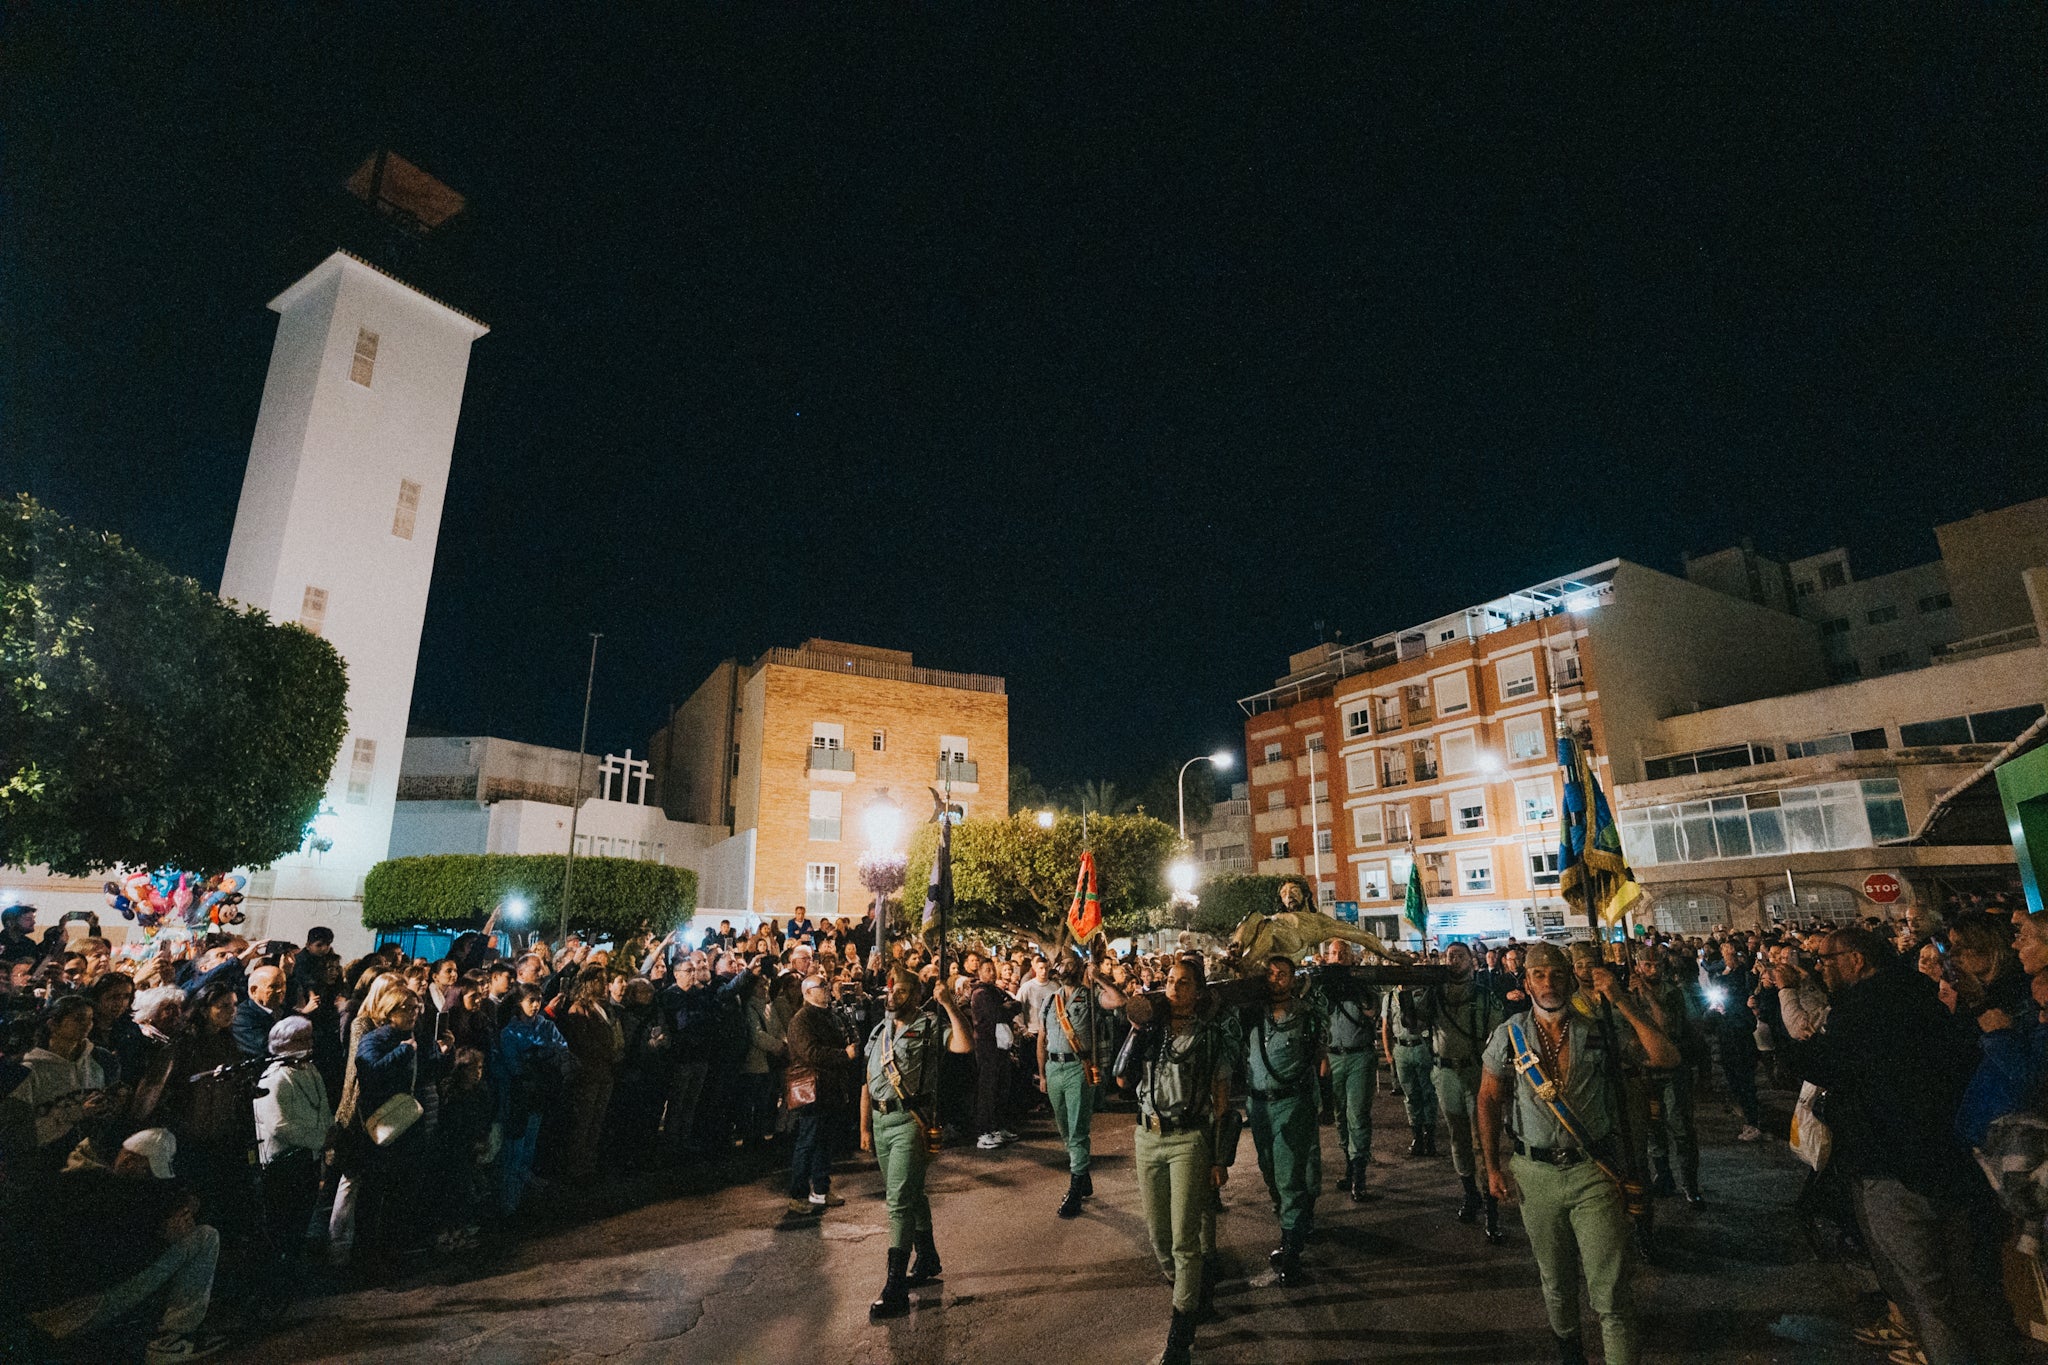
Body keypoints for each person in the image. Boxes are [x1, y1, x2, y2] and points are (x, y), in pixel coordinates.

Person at [1781, 926, 2019, 1365]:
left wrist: (1793, 1049)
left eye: (1829, 959)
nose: (1823, 967)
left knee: (1926, 1296)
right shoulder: (1919, 991)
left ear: (1857, 960)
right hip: (1949, 1159)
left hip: (1890, 1166)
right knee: (1975, 1290)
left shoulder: (1860, 1008)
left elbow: (1833, 1068)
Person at [1478, 941, 1679, 1365]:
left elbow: (1665, 1056)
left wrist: (1622, 1000)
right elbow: (1489, 1099)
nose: (1548, 983)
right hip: (1535, 1174)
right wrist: (1491, 1166)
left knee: (1611, 1291)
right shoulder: (1509, 1034)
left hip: (1595, 1173)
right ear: (1526, 981)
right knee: (1556, 1282)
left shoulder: (1599, 1030)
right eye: (1538, 975)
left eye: (1556, 974)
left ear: (1571, 980)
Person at [1111, 957, 1243, 1365]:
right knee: (1158, 1237)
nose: (1174, 988)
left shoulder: (1210, 1037)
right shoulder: (1151, 1031)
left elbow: (1221, 1103)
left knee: (1185, 1241)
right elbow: (1120, 1078)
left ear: (1199, 992)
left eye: (1184, 983)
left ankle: (1180, 1333)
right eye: (1169, 981)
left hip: (1189, 1140)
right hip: (1147, 1137)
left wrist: (1219, 1158)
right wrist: (1137, 1030)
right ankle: (1189, 1294)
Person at [859, 969, 973, 1321]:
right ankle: (927, 1256)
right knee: (911, 1193)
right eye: (892, 989)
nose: (893, 995)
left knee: (898, 1202)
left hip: (911, 1122)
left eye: (903, 990)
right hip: (881, 1122)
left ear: (916, 994)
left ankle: (894, 1287)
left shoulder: (927, 1027)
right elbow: (868, 1080)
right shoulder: (880, 1030)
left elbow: (963, 1045)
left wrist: (949, 1005)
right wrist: (863, 1126)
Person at [1405, 941, 1508, 1241]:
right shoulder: (1435, 995)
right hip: (1446, 1073)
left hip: (1477, 1072)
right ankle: (1469, 1194)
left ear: (1472, 962)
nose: (1454, 961)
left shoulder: (1485, 997)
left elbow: (1498, 1036)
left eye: (1460, 956)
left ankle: (1491, 1208)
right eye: (1450, 956)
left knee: (1484, 1139)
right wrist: (1405, 992)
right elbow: (1413, 1024)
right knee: (1458, 1136)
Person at [253, 1016, 330, 1295]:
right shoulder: (275, 1078)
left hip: (309, 1155)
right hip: (285, 1161)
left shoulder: (310, 1070)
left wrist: (328, 1134)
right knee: (284, 1220)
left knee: (302, 1216)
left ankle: (295, 1269)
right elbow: (279, 1125)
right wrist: (321, 1138)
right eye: (302, 1040)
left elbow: (322, 1106)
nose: (308, 1045)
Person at [1314, 941, 1381, 1202]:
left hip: (1359, 1056)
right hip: (1334, 1056)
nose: (1338, 957)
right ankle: (1349, 1165)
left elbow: (1372, 1011)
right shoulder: (1323, 987)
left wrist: (1355, 989)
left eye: (1343, 954)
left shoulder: (1363, 983)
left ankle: (1359, 1175)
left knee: (1358, 1115)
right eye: (1333, 954)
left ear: (1351, 958)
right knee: (1341, 1115)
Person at [784, 975, 855, 1214]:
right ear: (807, 993)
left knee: (824, 1141)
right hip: (812, 1089)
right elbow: (810, 1053)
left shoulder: (830, 1016)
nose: (826, 989)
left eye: (826, 985)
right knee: (808, 1141)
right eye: (820, 986)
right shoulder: (802, 1020)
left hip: (829, 1087)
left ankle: (821, 1189)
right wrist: (843, 1055)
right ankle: (798, 1193)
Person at [1037, 953, 1101, 1217]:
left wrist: (1101, 978)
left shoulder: (1090, 998)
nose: (1065, 968)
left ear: (1079, 968)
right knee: (1064, 1127)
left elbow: (1119, 1001)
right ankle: (1083, 1175)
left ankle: (1075, 1189)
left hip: (1077, 1066)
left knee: (1077, 1129)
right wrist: (1041, 1074)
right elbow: (1041, 1038)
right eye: (1062, 964)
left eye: (1070, 964)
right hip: (1054, 1068)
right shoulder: (1050, 1000)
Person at [1384, 982, 1440, 1157]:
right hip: (1401, 1048)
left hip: (1421, 1046)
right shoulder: (1389, 997)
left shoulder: (1422, 993)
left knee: (1428, 1092)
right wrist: (1388, 1052)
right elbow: (1387, 1024)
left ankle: (1429, 1136)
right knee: (1410, 1095)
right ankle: (1417, 1136)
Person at [232, 966, 289, 1058]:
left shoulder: (285, 1010)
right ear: (254, 990)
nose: (281, 990)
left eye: (283, 984)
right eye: (273, 986)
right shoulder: (241, 1017)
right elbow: (267, 1048)